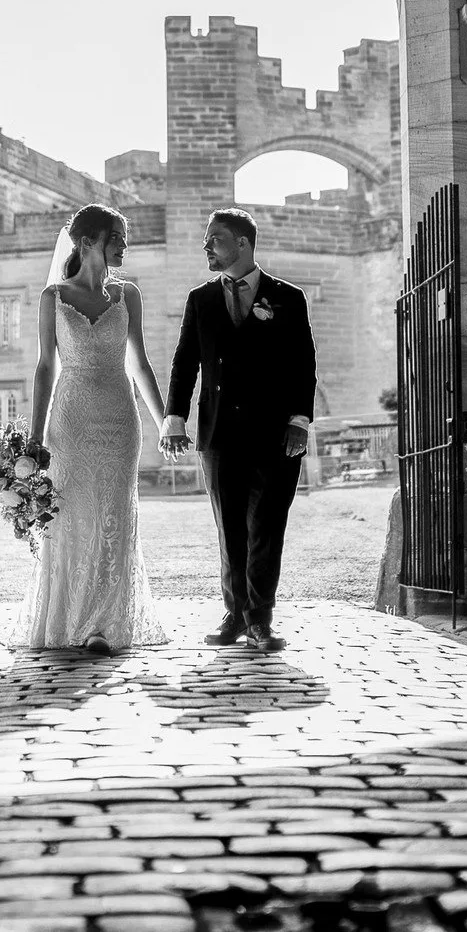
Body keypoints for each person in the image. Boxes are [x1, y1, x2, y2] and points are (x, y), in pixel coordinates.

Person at [13, 203, 172, 654]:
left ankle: (104, 624)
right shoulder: (53, 298)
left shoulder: (129, 296)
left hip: (120, 421)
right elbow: (45, 368)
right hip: (71, 420)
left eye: (123, 238)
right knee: (71, 521)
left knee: (114, 518)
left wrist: (165, 423)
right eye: (116, 238)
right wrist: (36, 438)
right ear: (87, 242)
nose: (124, 246)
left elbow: (139, 363)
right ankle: (67, 619)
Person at [160, 207, 318, 652]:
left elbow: (303, 365)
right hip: (219, 434)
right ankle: (234, 615)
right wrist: (175, 416)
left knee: (267, 527)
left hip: (275, 434)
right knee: (229, 528)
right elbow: (184, 361)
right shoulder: (200, 299)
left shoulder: (289, 297)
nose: (206, 246)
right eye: (207, 239)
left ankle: (260, 620)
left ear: (243, 244)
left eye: (215, 239)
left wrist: (299, 421)